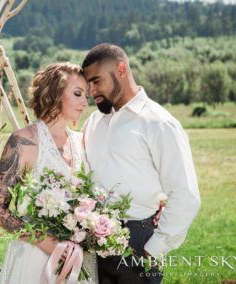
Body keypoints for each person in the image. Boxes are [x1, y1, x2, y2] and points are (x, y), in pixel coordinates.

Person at [81, 43, 201, 284]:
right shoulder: (93, 121)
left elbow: (186, 195)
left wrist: (152, 250)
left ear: (121, 70)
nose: (90, 91)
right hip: (93, 243)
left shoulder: (159, 123)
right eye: (87, 85)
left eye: (96, 81)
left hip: (139, 242)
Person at [0, 62, 98, 283]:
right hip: (34, 259)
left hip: (78, 259)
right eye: (77, 93)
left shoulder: (81, 142)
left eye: (86, 95)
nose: (85, 102)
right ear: (55, 94)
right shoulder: (24, 141)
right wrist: (45, 241)